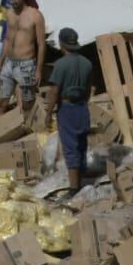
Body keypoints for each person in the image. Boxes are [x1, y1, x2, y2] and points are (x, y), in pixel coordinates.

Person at [45, 28, 95, 193]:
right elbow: (88, 89)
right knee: (81, 143)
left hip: (66, 109)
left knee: (70, 147)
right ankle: (82, 176)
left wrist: (48, 113)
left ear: (61, 44)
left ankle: (74, 188)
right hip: (82, 106)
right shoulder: (87, 63)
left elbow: (54, 91)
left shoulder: (60, 65)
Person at [0, 0, 45, 115]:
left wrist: (39, 70)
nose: (12, 2)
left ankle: (29, 131)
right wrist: (0, 61)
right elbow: (7, 39)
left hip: (26, 65)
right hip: (9, 63)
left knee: (28, 103)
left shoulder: (35, 15)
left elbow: (41, 44)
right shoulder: (9, 13)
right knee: (1, 102)